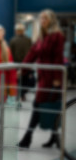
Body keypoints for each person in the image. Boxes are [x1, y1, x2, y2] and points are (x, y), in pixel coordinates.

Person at [18, 9, 65, 149]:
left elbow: (58, 57)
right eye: (41, 18)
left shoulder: (57, 36)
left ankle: (28, 138)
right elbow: (32, 54)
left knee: (45, 106)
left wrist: (57, 79)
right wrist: (22, 70)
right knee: (44, 106)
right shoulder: (41, 37)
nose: (42, 20)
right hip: (43, 77)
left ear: (51, 20)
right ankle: (52, 138)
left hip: (53, 77)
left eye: (45, 18)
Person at [9, 23, 33, 101]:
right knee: (25, 81)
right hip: (26, 64)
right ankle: (22, 94)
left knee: (17, 81)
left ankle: (18, 94)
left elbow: (11, 53)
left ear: (16, 31)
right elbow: (31, 52)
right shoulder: (28, 40)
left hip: (16, 64)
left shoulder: (13, 40)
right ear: (23, 30)